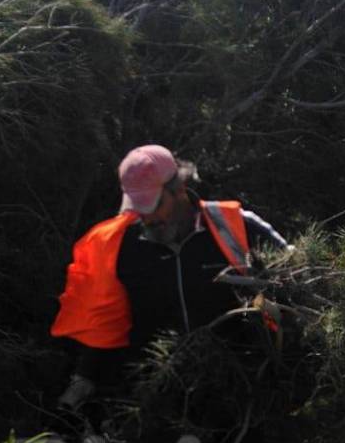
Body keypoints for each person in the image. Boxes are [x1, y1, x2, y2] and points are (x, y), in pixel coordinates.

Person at [51, 144, 287, 408]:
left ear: (179, 189)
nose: (147, 216)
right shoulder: (119, 247)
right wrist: (83, 380)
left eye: (154, 204)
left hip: (244, 392)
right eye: (139, 206)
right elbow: (106, 323)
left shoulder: (235, 226)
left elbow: (296, 278)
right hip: (154, 400)